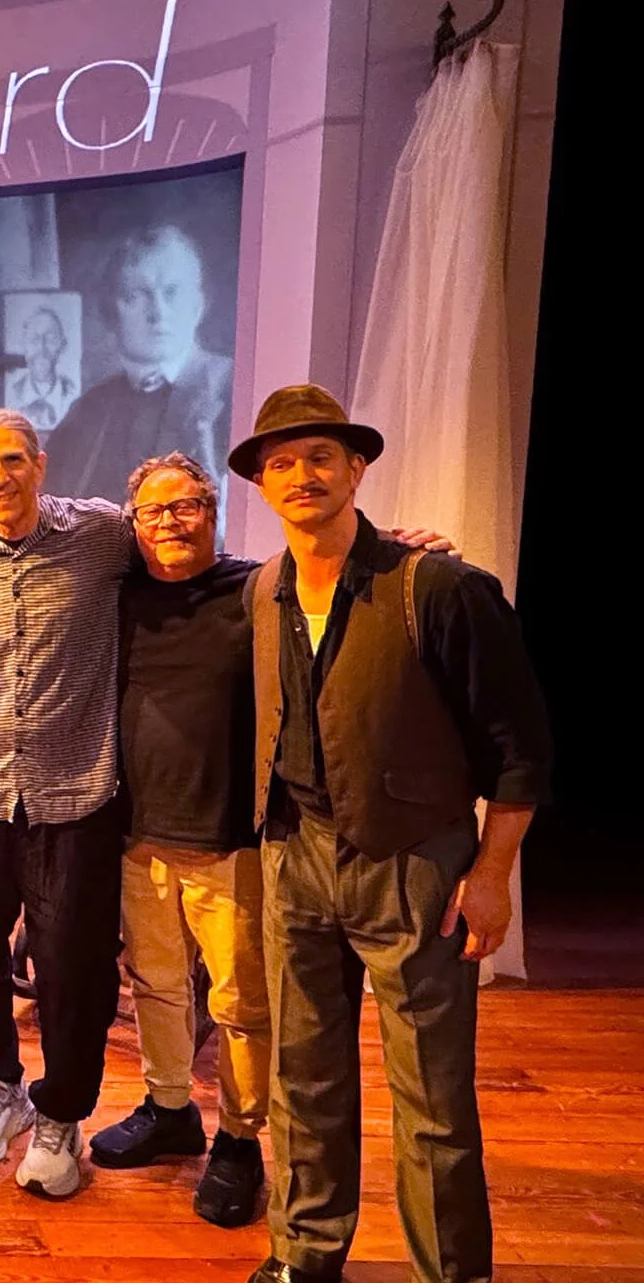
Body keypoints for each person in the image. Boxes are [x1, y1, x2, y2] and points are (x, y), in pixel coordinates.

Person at [232, 386, 550, 1283]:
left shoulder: (436, 585)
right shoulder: (261, 589)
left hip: (414, 863)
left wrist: (492, 873)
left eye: (319, 457)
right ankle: (303, 1253)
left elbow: (520, 749)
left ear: (357, 468)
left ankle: (451, 1271)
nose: (301, 475)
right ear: (262, 484)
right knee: (302, 1075)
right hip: (296, 857)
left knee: (433, 1092)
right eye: (281, 463)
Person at [0, 407, 130, 1200]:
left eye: (12, 460)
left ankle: (62, 1114)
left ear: (40, 465)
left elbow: (191, 565)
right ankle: (1, 1087)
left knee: (71, 966)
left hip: (74, 790)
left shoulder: (103, 535)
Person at [87, 451, 269, 1226]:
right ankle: (169, 1109)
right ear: (133, 524)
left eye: (186, 505)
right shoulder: (118, 598)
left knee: (239, 1001)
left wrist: (402, 546)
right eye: (153, 511)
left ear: (213, 511)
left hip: (229, 839)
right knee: (156, 984)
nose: (170, 522)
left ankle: (241, 1139)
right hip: (139, 834)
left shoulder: (256, 590)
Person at [45, 224, 233, 503]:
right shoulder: (87, 411)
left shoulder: (235, 391)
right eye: (136, 296)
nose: (158, 313)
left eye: (172, 292)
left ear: (198, 305)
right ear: (110, 312)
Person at [4, 306, 78, 432]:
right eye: (34, 339)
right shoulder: (11, 395)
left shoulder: (74, 396)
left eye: (50, 339)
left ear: (63, 345)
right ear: (23, 345)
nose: (41, 348)